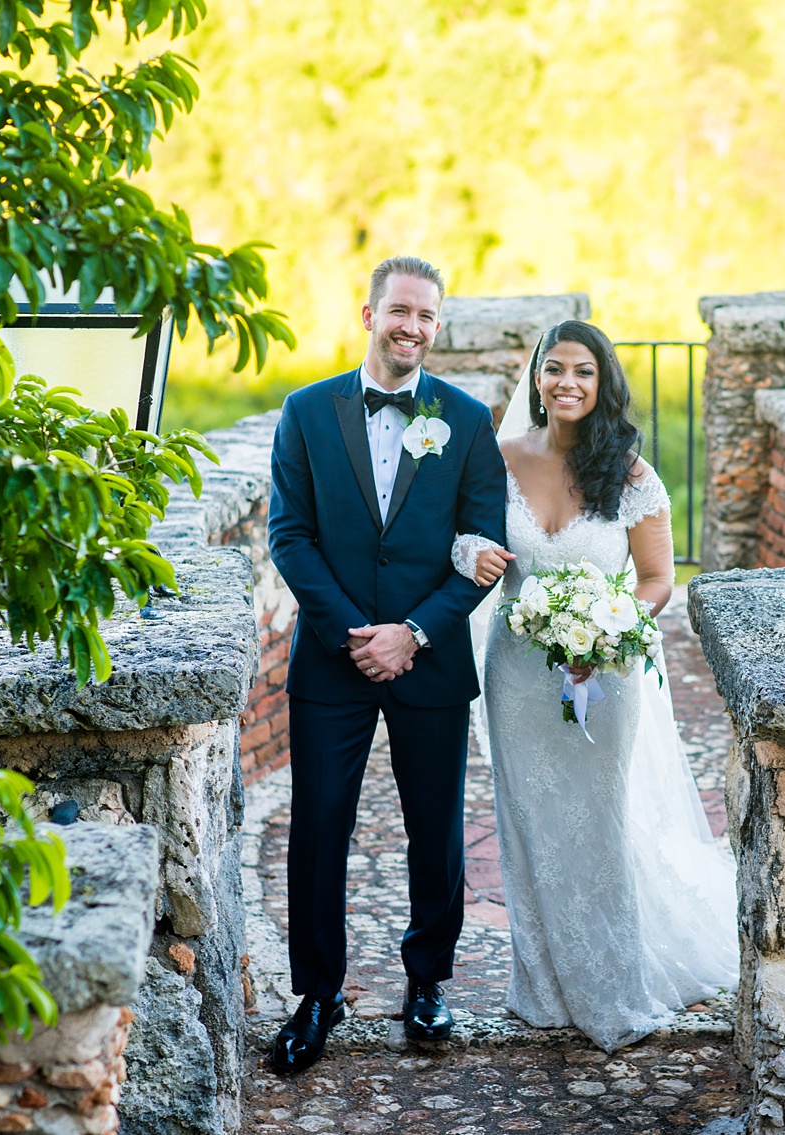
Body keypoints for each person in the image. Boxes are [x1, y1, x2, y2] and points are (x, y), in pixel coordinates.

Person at [451, 320, 738, 1051]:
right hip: (516, 672)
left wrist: (609, 628)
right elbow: (465, 537)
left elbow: (656, 581)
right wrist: (469, 552)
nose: (567, 383)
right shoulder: (498, 457)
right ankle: (542, 985)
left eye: (583, 371)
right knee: (528, 820)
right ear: (537, 380)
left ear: (603, 382)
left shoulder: (632, 474)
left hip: (603, 676)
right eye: (554, 369)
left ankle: (610, 986)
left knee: (598, 820)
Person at [266, 256, 507, 1072]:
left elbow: (481, 552)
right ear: (367, 313)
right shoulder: (304, 412)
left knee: (435, 832)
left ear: (437, 328)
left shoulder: (468, 422)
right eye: (399, 310)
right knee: (318, 829)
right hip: (332, 661)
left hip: (429, 661)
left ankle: (429, 980)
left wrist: (413, 632)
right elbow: (288, 535)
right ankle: (317, 993)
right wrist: (351, 632)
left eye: (427, 317)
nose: (412, 326)